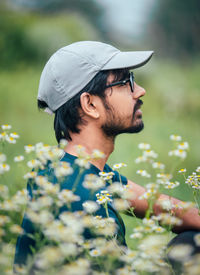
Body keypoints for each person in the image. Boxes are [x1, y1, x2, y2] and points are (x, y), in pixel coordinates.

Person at [14, 41, 200, 270]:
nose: (140, 90)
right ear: (90, 104)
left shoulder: (71, 169)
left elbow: (173, 210)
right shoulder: (81, 204)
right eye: (126, 82)